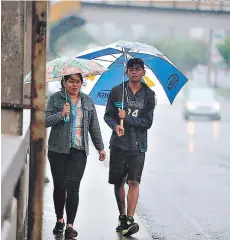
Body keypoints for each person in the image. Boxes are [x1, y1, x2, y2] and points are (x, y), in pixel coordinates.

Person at [46, 73, 106, 239]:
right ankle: (59, 220)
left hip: (79, 150)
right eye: (71, 81)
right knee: (59, 186)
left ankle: (70, 225)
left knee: (73, 187)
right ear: (64, 82)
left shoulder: (87, 101)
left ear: (82, 83)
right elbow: (43, 120)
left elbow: (94, 126)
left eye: (78, 81)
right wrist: (61, 114)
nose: (74, 85)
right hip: (57, 150)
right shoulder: (55, 99)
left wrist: (100, 147)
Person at [104, 58, 156, 236]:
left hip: (138, 146)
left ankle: (130, 219)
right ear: (126, 72)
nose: (134, 72)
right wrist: (115, 125)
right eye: (131, 69)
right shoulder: (117, 91)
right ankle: (122, 216)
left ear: (143, 73)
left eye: (138, 69)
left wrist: (126, 118)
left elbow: (147, 122)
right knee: (118, 182)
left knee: (133, 182)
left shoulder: (149, 95)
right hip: (118, 144)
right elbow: (108, 116)